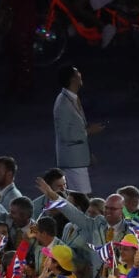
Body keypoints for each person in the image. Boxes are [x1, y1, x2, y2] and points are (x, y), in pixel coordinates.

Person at [53, 65, 104, 194]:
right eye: (77, 73)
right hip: (72, 161)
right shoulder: (63, 104)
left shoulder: (72, 98)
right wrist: (88, 131)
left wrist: (87, 154)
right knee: (83, 198)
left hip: (77, 159)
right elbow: (65, 135)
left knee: (79, 198)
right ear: (73, 79)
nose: (80, 75)